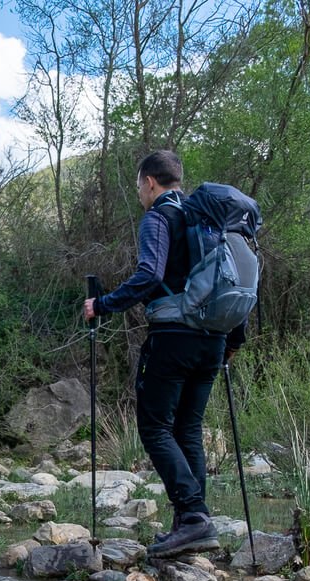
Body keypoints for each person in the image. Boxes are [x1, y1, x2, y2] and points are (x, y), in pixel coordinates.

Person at [83, 150, 246, 557]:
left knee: (155, 428)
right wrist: (233, 341)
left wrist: (102, 304)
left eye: (139, 186)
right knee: (187, 430)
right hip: (214, 340)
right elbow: (233, 279)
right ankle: (191, 525)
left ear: (150, 182)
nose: (139, 194)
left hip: (173, 338)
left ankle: (192, 517)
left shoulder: (160, 217)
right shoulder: (208, 221)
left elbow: (150, 274)